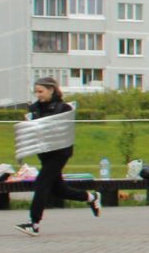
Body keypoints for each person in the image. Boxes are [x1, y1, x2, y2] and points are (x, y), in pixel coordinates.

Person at [15, 78, 102, 236]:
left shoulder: (64, 108)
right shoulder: (34, 109)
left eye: (41, 91)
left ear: (52, 90)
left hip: (60, 153)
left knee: (41, 183)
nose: (38, 95)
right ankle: (91, 197)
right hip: (44, 153)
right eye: (36, 92)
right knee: (58, 189)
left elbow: (62, 131)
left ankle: (34, 223)